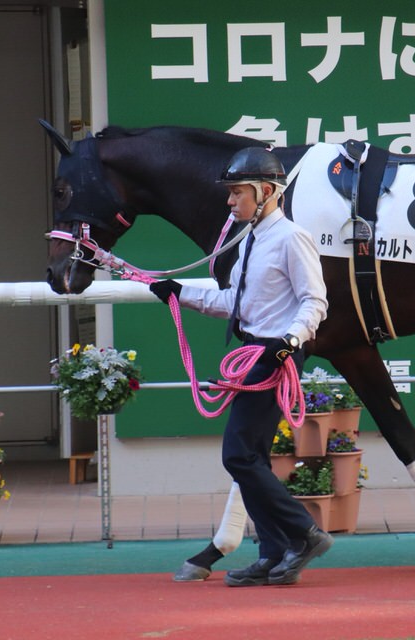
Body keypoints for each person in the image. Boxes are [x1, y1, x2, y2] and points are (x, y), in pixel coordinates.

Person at [149, 147, 331, 586]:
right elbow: (235, 304)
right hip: (256, 352)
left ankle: (305, 535)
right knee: (252, 458)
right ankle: (273, 553)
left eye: (237, 193)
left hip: (274, 356)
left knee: (238, 454)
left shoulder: (291, 238)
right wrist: (180, 293)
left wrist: (288, 345)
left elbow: (315, 301)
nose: (230, 202)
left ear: (266, 192)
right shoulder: (251, 238)